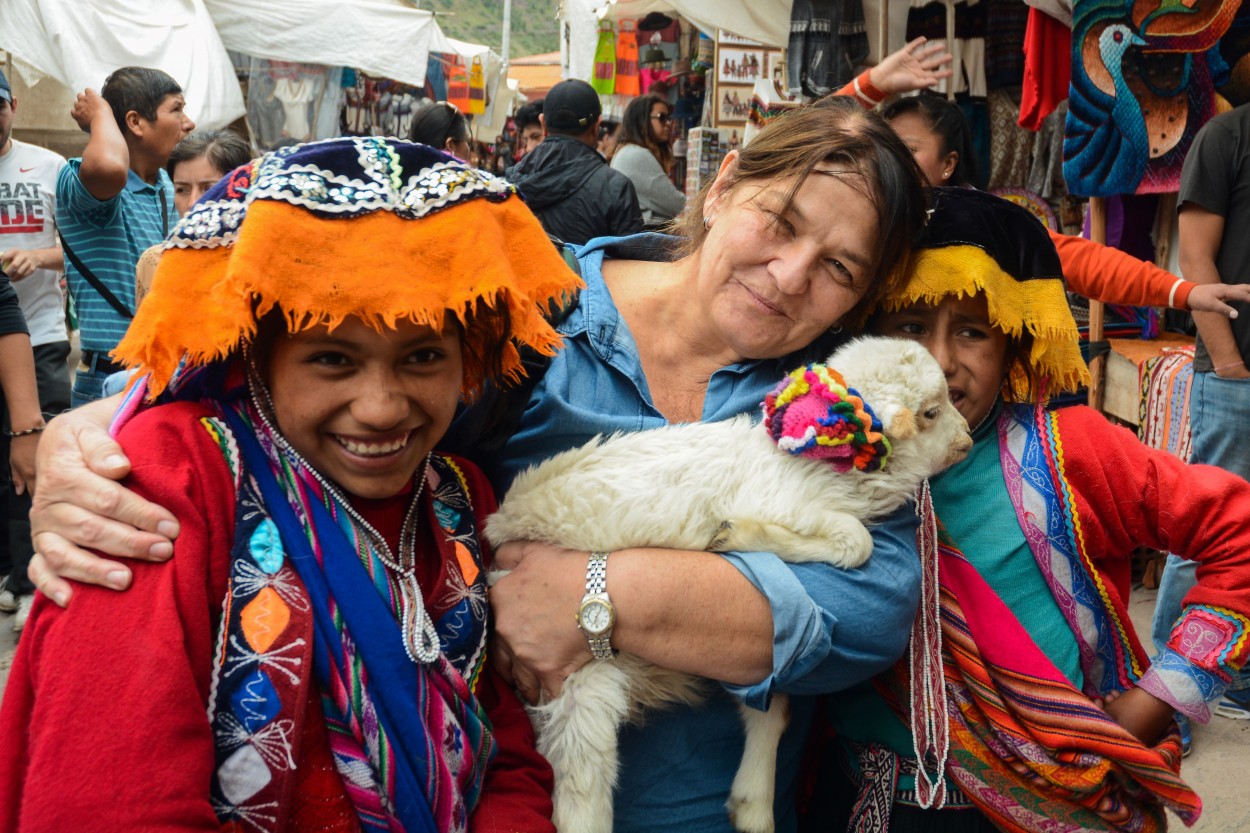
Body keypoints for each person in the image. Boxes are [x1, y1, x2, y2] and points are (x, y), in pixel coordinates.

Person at [28, 97, 938, 832]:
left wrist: (596, 593)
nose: (787, 275)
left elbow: (866, 607)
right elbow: (310, 386)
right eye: (779, 223)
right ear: (726, 182)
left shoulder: (837, 405)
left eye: (838, 269)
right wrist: (105, 434)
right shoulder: (527, 316)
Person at [0, 137, 573, 830]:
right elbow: (109, 801)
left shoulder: (458, 498)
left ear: (468, 359)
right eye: (333, 358)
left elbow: (505, 755)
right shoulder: (164, 481)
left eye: (423, 356)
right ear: (258, 355)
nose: (382, 406)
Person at [808, 187, 1250, 832]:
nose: (939, 362)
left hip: (1056, 799)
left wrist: (1167, 694)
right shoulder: (823, 459)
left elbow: (1235, 530)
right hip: (864, 803)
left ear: (1014, 347)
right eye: (909, 327)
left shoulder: (1068, 448)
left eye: (971, 332)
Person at [879, 89, 1250, 320]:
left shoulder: (985, 222)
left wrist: (1184, 292)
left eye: (908, 149)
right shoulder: (870, 216)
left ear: (949, 164)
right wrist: (870, 84)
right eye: (886, 147)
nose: (893, 159)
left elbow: (1083, 262)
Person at [1149, 102, 1250, 735]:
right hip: (1239, 372)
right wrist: (1231, 364)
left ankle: (1235, 674)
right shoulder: (1228, 135)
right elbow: (1196, 258)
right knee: (1205, 533)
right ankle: (1166, 703)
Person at [57, 66, 194, 406]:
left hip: (163, 374)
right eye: (176, 109)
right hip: (108, 380)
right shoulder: (80, 180)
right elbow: (108, 167)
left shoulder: (167, 185)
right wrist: (100, 112)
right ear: (135, 123)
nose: (188, 122)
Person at [0, 67, 70, 630]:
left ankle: (31, 582)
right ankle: (9, 571)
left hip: (40, 332)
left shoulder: (50, 167)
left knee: (33, 458)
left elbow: (82, 247)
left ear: (14, 105)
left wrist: (36, 257)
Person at [504, 79, 643, 245]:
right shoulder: (616, 186)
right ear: (597, 126)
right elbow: (633, 258)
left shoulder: (509, 182)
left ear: (543, 125)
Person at [134, 128, 252, 306]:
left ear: (241, 190)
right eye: (182, 189)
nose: (192, 203)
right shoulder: (155, 263)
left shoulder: (260, 262)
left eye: (209, 189)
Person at [610, 93, 686, 226]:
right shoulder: (636, 155)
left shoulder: (626, 151)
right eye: (661, 117)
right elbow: (675, 202)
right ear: (642, 120)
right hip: (647, 236)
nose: (668, 123)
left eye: (669, 118)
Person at [408, 100, 474, 163]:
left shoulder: (402, 168)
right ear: (450, 145)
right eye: (466, 141)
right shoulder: (459, 173)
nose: (468, 148)